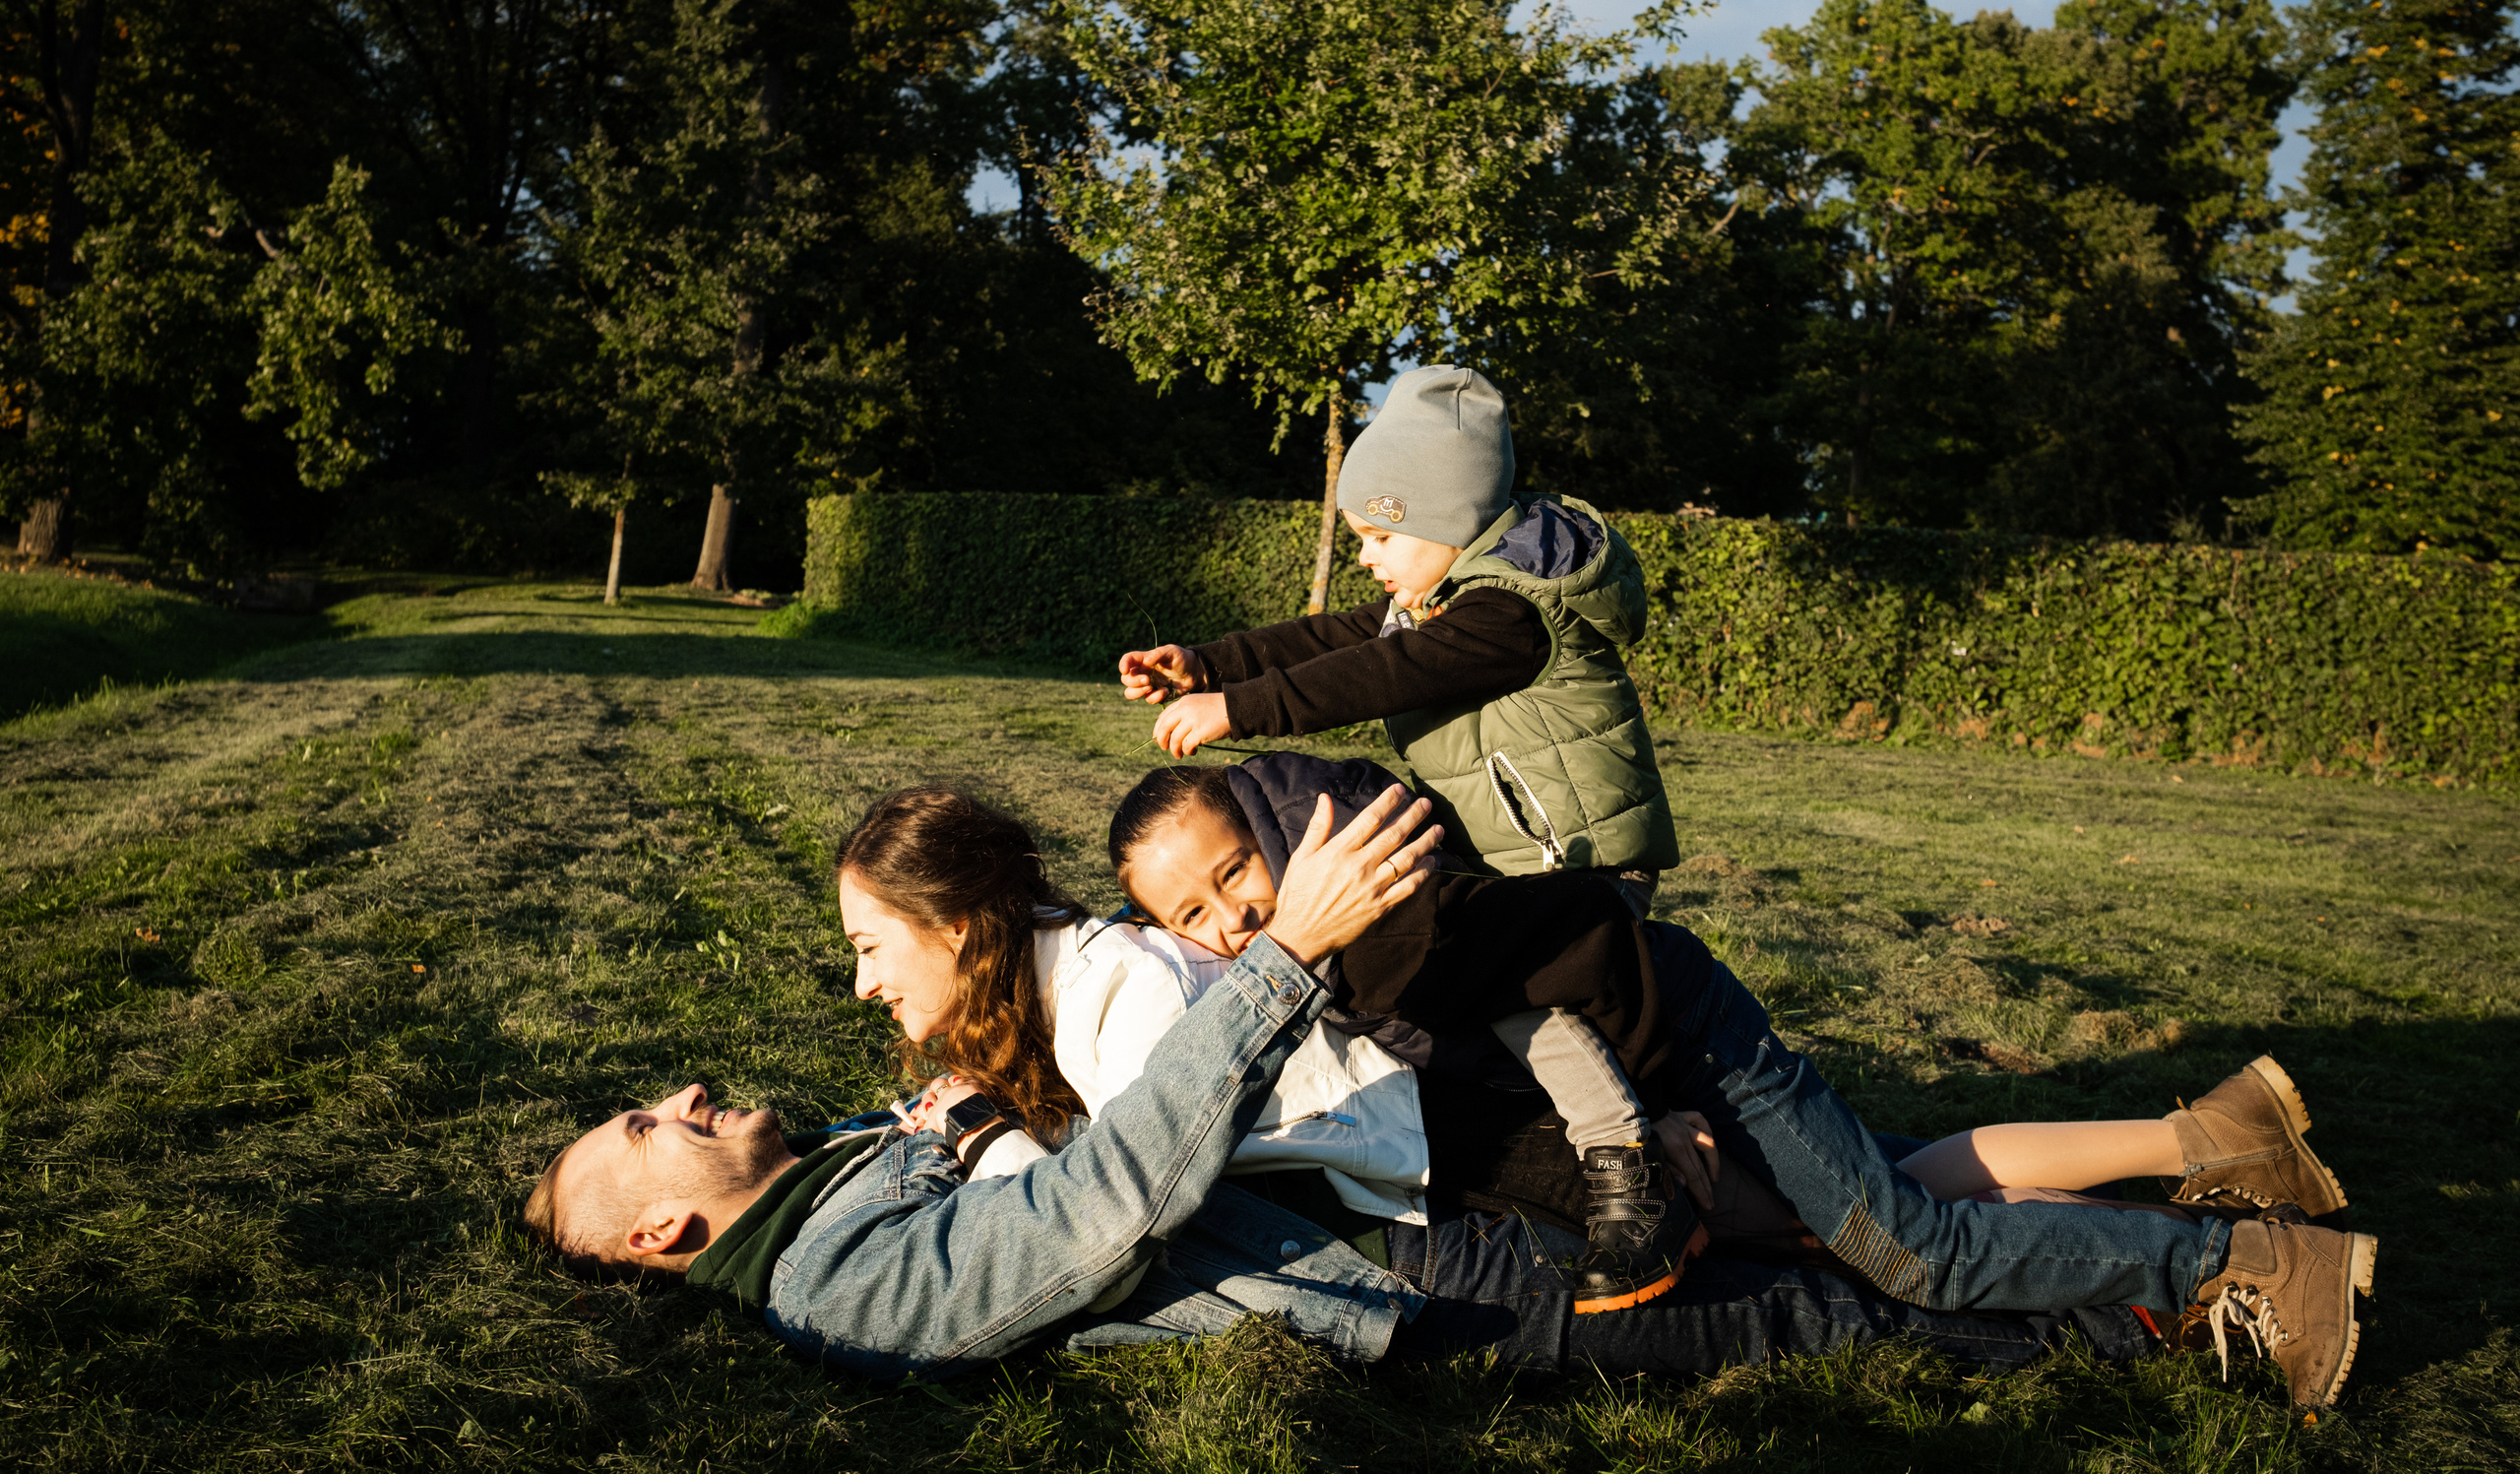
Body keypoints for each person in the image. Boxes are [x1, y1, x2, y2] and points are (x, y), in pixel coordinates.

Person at [520, 785, 2353, 1399]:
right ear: (669, 1229)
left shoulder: (850, 1180)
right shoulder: (839, 1280)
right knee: (1829, 1274)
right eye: (639, 1128)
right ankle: (2191, 1247)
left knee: (1855, 1251)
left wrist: (966, 1119)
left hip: (1461, 1200)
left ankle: (2211, 1262)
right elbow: (1100, 1210)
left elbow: (1079, 1159)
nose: (674, 1088)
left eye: (869, 948)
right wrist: (1281, 961)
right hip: (1428, 1251)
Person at [1115, 366, 1686, 1305]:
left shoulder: (1508, 614)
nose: (1370, 557)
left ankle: (1628, 1169)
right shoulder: (1441, 592)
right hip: (1512, 854)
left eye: (1381, 535)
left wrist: (1239, 708)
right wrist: (1207, 662)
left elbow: (1380, 673)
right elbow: (1332, 638)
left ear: (1447, 519)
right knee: (1429, 970)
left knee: (1508, 997)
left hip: (1576, 867)